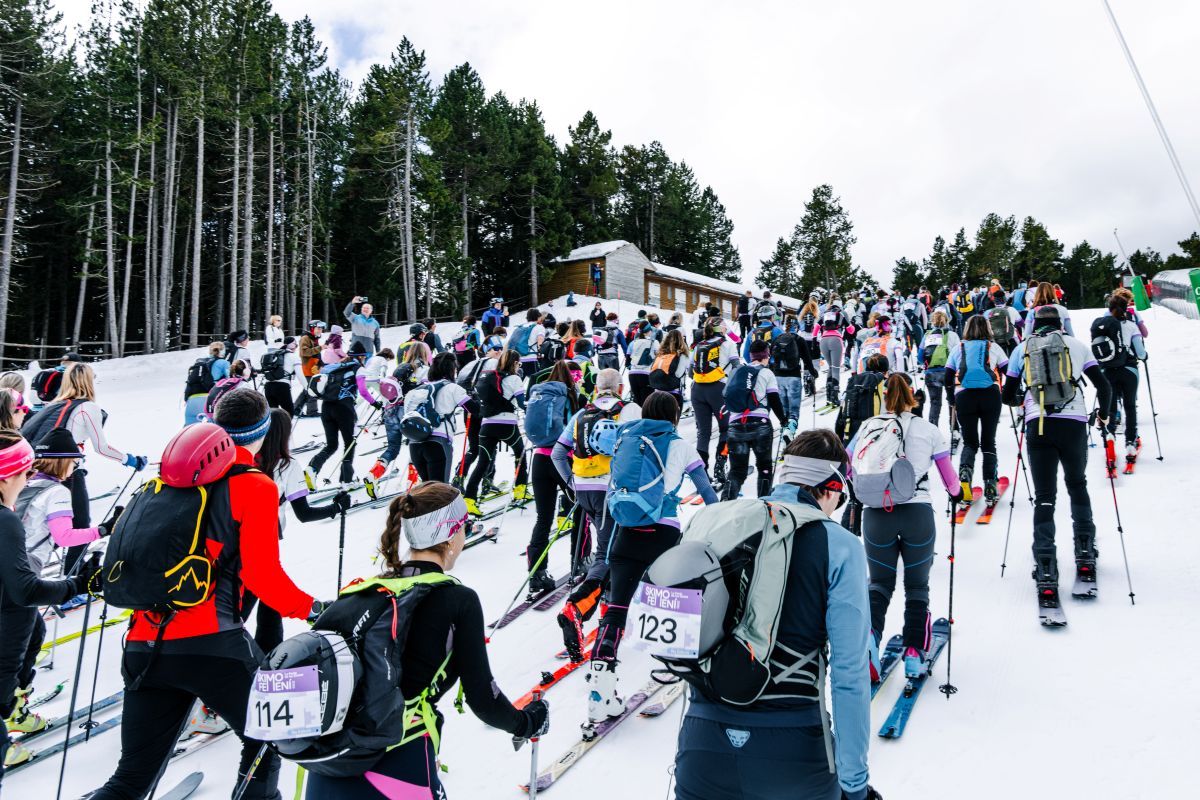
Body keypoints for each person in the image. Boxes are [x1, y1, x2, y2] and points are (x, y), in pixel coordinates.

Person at [88, 395, 320, 800]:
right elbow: (262, 576)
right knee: (270, 739)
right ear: (263, 433)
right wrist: (311, 609)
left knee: (131, 777)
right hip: (215, 646)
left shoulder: (161, 483)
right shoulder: (255, 486)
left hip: (144, 645)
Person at [304, 482, 548, 797]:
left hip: (327, 762)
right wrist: (527, 723)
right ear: (451, 536)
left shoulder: (369, 591)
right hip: (396, 761)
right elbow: (483, 699)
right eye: (464, 526)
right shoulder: (458, 600)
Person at [673, 428, 878, 800]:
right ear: (831, 488)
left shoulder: (715, 522)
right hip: (794, 755)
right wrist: (854, 784)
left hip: (702, 747)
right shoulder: (840, 545)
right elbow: (850, 675)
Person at [582, 391, 718, 723]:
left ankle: (600, 688)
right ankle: (674, 665)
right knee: (677, 601)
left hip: (626, 535)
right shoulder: (681, 445)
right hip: (664, 535)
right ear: (674, 416)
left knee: (616, 609)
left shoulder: (627, 440)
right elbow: (706, 491)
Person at [0, 431, 96, 774]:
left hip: (12, 582)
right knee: (8, 661)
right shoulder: (18, 512)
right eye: (24, 472)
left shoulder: (23, 494)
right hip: (17, 589)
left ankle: (15, 707)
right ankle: (7, 724)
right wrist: (77, 584)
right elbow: (27, 588)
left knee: (35, 634)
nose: (28, 478)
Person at [1002, 305, 1110, 610]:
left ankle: (1046, 563)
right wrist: (1103, 415)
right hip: (1074, 423)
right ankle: (1085, 550)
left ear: (1034, 324)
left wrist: (1024, 398)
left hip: (1038, 426)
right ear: (1061, 323)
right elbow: (1103, 385)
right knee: (1077, 484)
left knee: (1045, 497)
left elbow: (1007, 395)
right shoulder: (1077, 345)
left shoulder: (1022, 349)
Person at [854, 374, 962, 679]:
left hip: (877, 513)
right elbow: (950, 481)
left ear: (884, 396)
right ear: (913, 396)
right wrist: (958, 494)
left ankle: (869, 643)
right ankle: (914, 653)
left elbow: (850, 464)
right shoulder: (928, 430)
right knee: (916, 586)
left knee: (879, 585)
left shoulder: (869, 426)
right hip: (917, 513)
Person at [21, 363, 148, 572]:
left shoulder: (54, 405)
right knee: (80, 524)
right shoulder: (88, 407)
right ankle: (73, 576)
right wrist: (130, 460)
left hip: (38, 470)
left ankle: (30, 560)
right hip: (68, 471)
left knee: (44, 521)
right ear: (88, 382)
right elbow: (101, 447)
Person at [551, 369, 643, 657]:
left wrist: (572, 484)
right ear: (620, 387)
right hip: (611, 491)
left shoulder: (583, 413)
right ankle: (577, 608)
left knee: (610, 547)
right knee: (607, 553)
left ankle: (605, 604)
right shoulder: (628, 409)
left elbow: (557, 453)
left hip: (585, 490)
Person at [246, 409, 349, 654]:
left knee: (262, 596)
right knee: (266, 593)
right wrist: (335, 508)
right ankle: (264, 653)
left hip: (236, 532)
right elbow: (303, 513)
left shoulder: (248, 459)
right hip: (266, 535)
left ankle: (259, 651)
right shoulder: (287, 465)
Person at [527, 361, 586, 592]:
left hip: (540, 460)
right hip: (563, 459)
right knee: (581, 509)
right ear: (574, 377)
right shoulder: (571, 396)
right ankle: (579, 560)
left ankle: (537, 572)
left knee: (543, 518)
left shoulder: (541, 394)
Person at [945, 315, 1008, 505]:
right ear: (987, 328)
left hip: (964, 396)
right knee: (988, 442)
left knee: (970, 442)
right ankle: (990, 484)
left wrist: (951, 398)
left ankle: (965, 478)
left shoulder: (959, 348)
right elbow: (1008, 370)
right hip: (990, 395)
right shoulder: (993, 347)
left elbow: (948, 375)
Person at [462, 350, 528, 516]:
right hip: (507, 425)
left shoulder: (490, 378)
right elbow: (522, 404)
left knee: (482, 462)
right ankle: (520, 490)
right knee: (520, 454)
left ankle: (469, 499)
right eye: (519, 363)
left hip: (486, 425)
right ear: (515, 363)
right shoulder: (514, 379)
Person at [722, 339, 788, 501]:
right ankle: (763, 504)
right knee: (764, 467)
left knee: (737, 470)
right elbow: (774, 399)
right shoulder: (767, 373)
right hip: (760, 426)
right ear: (766, 355)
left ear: (751, 356)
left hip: (735, 426)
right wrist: (783, 420)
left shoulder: (737, 371)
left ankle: (725, 503)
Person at [308, 342, 380, 486]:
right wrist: (375, 403)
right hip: (344, 409)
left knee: (331, 445)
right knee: (350, 443)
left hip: (326, 407)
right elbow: (363, 391)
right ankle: (346, 480)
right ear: (361, 356)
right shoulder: (358, 368)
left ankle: (312, 468)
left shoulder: (335, 367)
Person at [401, 353, 471, 483]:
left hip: (415, 444)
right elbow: (474, 409)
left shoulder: (415, 391)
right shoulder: (452, 388)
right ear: (451, 369)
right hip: (438, 443)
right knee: (440, 489)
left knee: (428, 487)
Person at [690, 316, 741, 486]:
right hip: (718, 390)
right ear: (721, 329)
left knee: (703, 432)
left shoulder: (699, 345)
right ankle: (720, 466)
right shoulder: (728, 344)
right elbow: (736, 367)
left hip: (697, 390)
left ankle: (701, 471)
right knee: (725, 429)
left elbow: (690, 371)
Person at [1098, 295, 1148, 466]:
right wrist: (1145, 356)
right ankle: (1130, 443)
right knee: (1130, 406)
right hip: (1129, 369)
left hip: (1107, 371)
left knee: (1111, 407)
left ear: (1109, 308)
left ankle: (1110, 435)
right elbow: (1140, 352)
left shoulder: (1103, 326)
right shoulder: (1132, 326)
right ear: (1126, 309)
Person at [922, 310, 959, 429]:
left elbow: (920, 357)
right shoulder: (952, 335)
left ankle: (933, 429)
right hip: (948, 372)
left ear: (932, 321)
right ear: (947, 321)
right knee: (952, 401)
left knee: (934, 403)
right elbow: (958, 354)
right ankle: (954, 428)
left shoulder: (927, 335)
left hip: (931, 373)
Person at [184, 341, 232, 424]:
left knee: (189, 428)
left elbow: (191, 380)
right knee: (213, 427)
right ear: (222, 351)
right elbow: (231, 379)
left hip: (192, 400)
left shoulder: (200, 362)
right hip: (210, 399)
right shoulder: (224, 363)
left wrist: (186, 398)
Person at [647, 329, 691, 410]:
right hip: (673, 392)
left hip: (657, 392)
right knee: (672, 417)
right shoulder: (681, 355)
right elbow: (678, 374)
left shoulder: (660, 353)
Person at [261, 337, 302, 416]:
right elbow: (300, 374)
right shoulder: (293, 356)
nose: (296, 346)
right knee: (289, 413)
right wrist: (307, 387)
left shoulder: (275, 354)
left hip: (268, 386)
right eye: (295, 344)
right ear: (290, 344)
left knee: (272, 415)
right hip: (282, 387)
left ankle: (274, 425)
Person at [819, 303, 848, 407]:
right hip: (836, 339)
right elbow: (851, 330)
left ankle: (828, 396)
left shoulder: (824, 315)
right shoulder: (841, 314)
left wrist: (814, 339)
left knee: (831, 367)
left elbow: (816, 327)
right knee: (835, 368)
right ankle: (835, 397)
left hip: (823, 340)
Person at [298, 320, 326, 417]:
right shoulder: (305, 338)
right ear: (312, 328)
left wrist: (321, 363)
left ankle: (296, 408)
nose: (320, 330)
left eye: (321, 329)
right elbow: (304, 352)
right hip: (308, 367)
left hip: (313, 367)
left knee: (307, 389)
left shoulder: (314, 338)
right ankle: (312, 411)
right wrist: (320, 348)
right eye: (318, 328)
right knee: (312, 389)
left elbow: (316, 354)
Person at [626, 321, 659, 404]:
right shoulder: (654, 342)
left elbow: (627, 362)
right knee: (647, 403)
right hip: (646, 375)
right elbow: (659, 358)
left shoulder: (632, 343)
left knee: (637, 402)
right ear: (649, 331)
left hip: (632, 375)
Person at [508, 309, 547, 378]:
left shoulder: (520, 327)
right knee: (534, 381)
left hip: (517, 360)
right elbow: (540, 339)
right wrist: (540, 352)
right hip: (531, 359)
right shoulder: (539, 327)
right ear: (538, 317)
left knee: (519, 381)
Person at [982, 291, 1021, 355]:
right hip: (1011, 338)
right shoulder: (1012, 309)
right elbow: (1021, 323)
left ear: (994, 301)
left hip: (995, 341)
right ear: (1005, 300)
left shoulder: (988, 312)